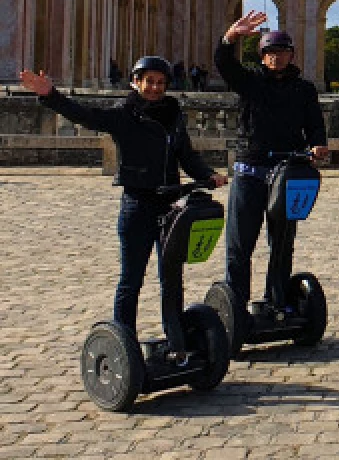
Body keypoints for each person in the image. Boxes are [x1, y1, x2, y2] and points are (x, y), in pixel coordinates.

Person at [18, 58, 227, 351]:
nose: (154, 88)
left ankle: (177, 339)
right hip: (138, 204)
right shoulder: (123, 114)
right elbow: (85, 116)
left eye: (160, 83)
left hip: (170, 204)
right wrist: (49, 95)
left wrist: (208, 174)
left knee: (171, 278)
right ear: (136, 82)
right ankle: (124, 345)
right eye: (148, 81)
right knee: (131, 280)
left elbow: (186, 155)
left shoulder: (173, 114)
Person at [214, 11, 329, 309]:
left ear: (291, 55)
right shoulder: (250, 81)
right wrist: (230, 38)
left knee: (282, 244)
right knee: (240, 245)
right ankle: (237, 304)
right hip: (250, 171)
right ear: (262, 56)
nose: (276, 58)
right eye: (270, 53)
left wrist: (318, 144)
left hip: (288, 172)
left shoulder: (303, 89)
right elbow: (224, 65)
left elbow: (314, 123)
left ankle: (277, 300)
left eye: (282, 52)